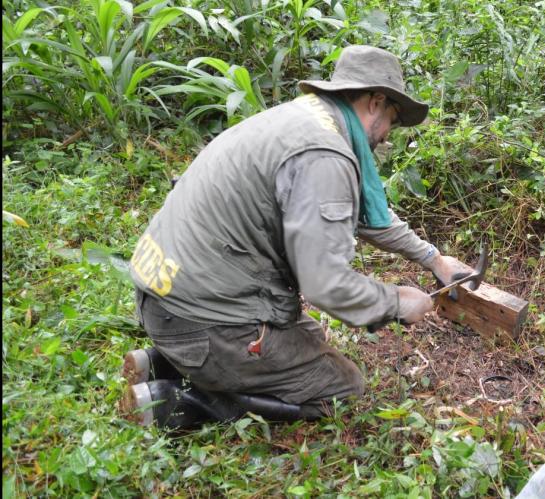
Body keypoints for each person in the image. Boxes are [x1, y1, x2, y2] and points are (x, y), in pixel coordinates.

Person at [119, 45, 474, 428]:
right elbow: (326, 286)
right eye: (392, 119)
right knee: (341, 386)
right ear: (375, 102)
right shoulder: (325, 155)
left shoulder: (300, 119)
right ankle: (177, 402)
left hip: (165, 295)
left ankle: (159, 361)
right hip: (202, 317)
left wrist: (434, 259)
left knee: (304, 334)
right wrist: (396, 302)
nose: (387, 136)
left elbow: (369, 219)